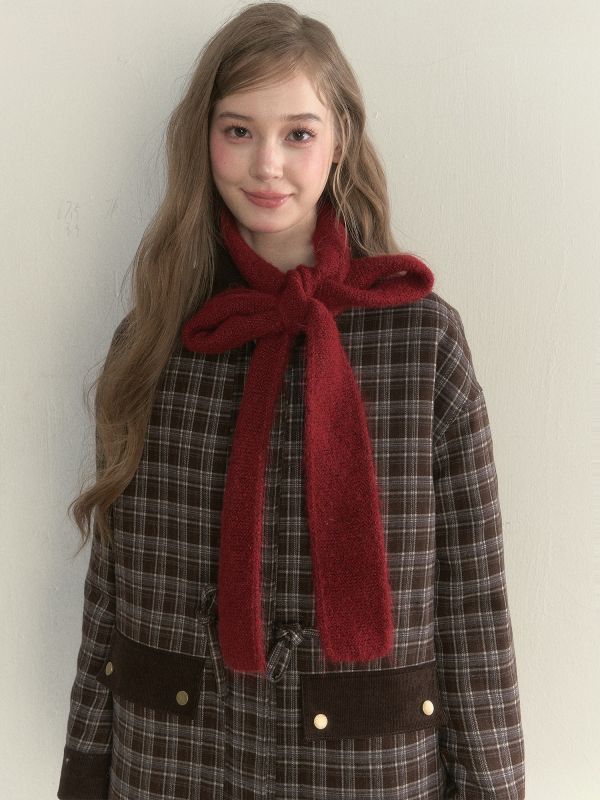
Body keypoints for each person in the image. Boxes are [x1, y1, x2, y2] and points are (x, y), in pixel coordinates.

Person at [57, 3, 525, 799]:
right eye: (238, 130)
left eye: (298, 133)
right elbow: (113, 582)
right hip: (175, 759)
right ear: (203, 139)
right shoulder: (161, 336)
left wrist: (494, 786)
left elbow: (473, 599)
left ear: (340, 139)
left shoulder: (421, 342)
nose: (266, 164)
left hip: (366, 767)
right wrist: (84, 771)